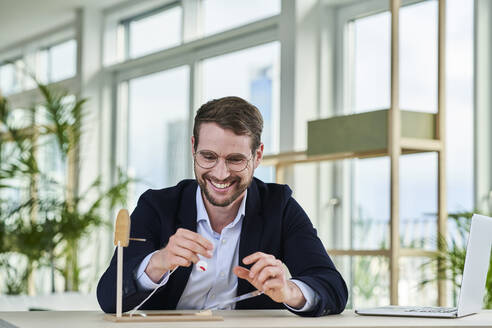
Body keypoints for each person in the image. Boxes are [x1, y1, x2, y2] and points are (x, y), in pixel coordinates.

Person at [97, 96, 348, 317]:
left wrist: (289, 291)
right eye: (208, 156)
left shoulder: (279, 207)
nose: (220, 173)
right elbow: (108, 298)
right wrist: (158, 262)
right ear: (193, 148)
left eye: (235, 159)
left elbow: (332, 287)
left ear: (257, 156)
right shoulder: (156, 206)